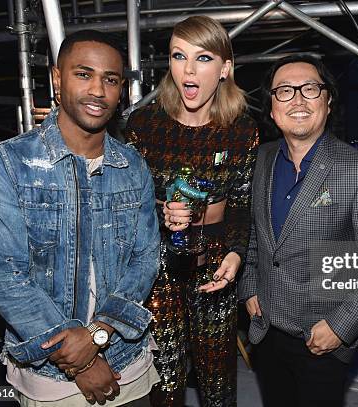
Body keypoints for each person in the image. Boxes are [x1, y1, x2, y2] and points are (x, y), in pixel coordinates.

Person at [0, 30, 160, 406]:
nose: (98, 90)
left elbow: (145, 259)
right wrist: (81, 363)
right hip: (52, 378)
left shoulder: (132, 165)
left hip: (129, 362)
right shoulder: (9, 163)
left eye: (110, 80)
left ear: (121, 89)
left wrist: (98, 336)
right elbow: (5, 277)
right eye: (83, 74)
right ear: (57, 78)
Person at [125, 16, 258, 407]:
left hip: (215, 265)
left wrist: (235, 253)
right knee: (164, 382)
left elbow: (240, 205)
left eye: (202, 58)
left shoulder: (240, 129)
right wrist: (159, 208)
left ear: (224, 69)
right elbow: (129, 203)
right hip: (157, 267)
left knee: (218, 384)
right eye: (178, 56)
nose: (188, 69)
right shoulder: (144, 124)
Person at [238, 54, 358, 407]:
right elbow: (252, 235)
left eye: (310, 89)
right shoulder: (261, 159)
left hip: (320, 339)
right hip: (265, 330)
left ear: (328, 101)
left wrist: (340, 327)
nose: (298, 99)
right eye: (284, 91)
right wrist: (250, 288)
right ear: (271, 108)